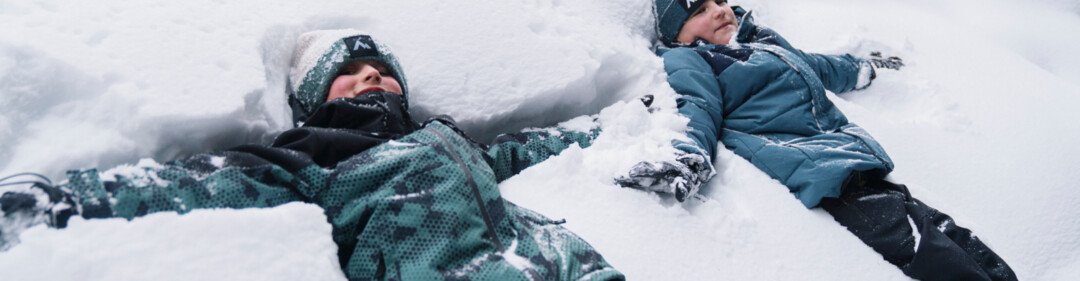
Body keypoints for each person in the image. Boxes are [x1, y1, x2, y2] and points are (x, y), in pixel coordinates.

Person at [0, 29, 627, 281]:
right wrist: (56, 203)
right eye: (347, 71)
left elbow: (531, 148)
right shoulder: (312, 153)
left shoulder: (445, 139)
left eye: (381, 70)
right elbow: (201, 184)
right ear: (312, 96)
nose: (369, 78)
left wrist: (624, 122)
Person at [620, 1, 1017, 280]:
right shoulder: (695, 60)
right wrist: (687, 157)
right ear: (679, 35)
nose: (719, 10)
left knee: (949, 232)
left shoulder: (764, 44)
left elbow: (817, 66)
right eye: (700, 9)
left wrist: (863, 68)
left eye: (720, 0)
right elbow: (697, 107)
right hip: (819, 173)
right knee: (927, 251)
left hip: (851, 159)